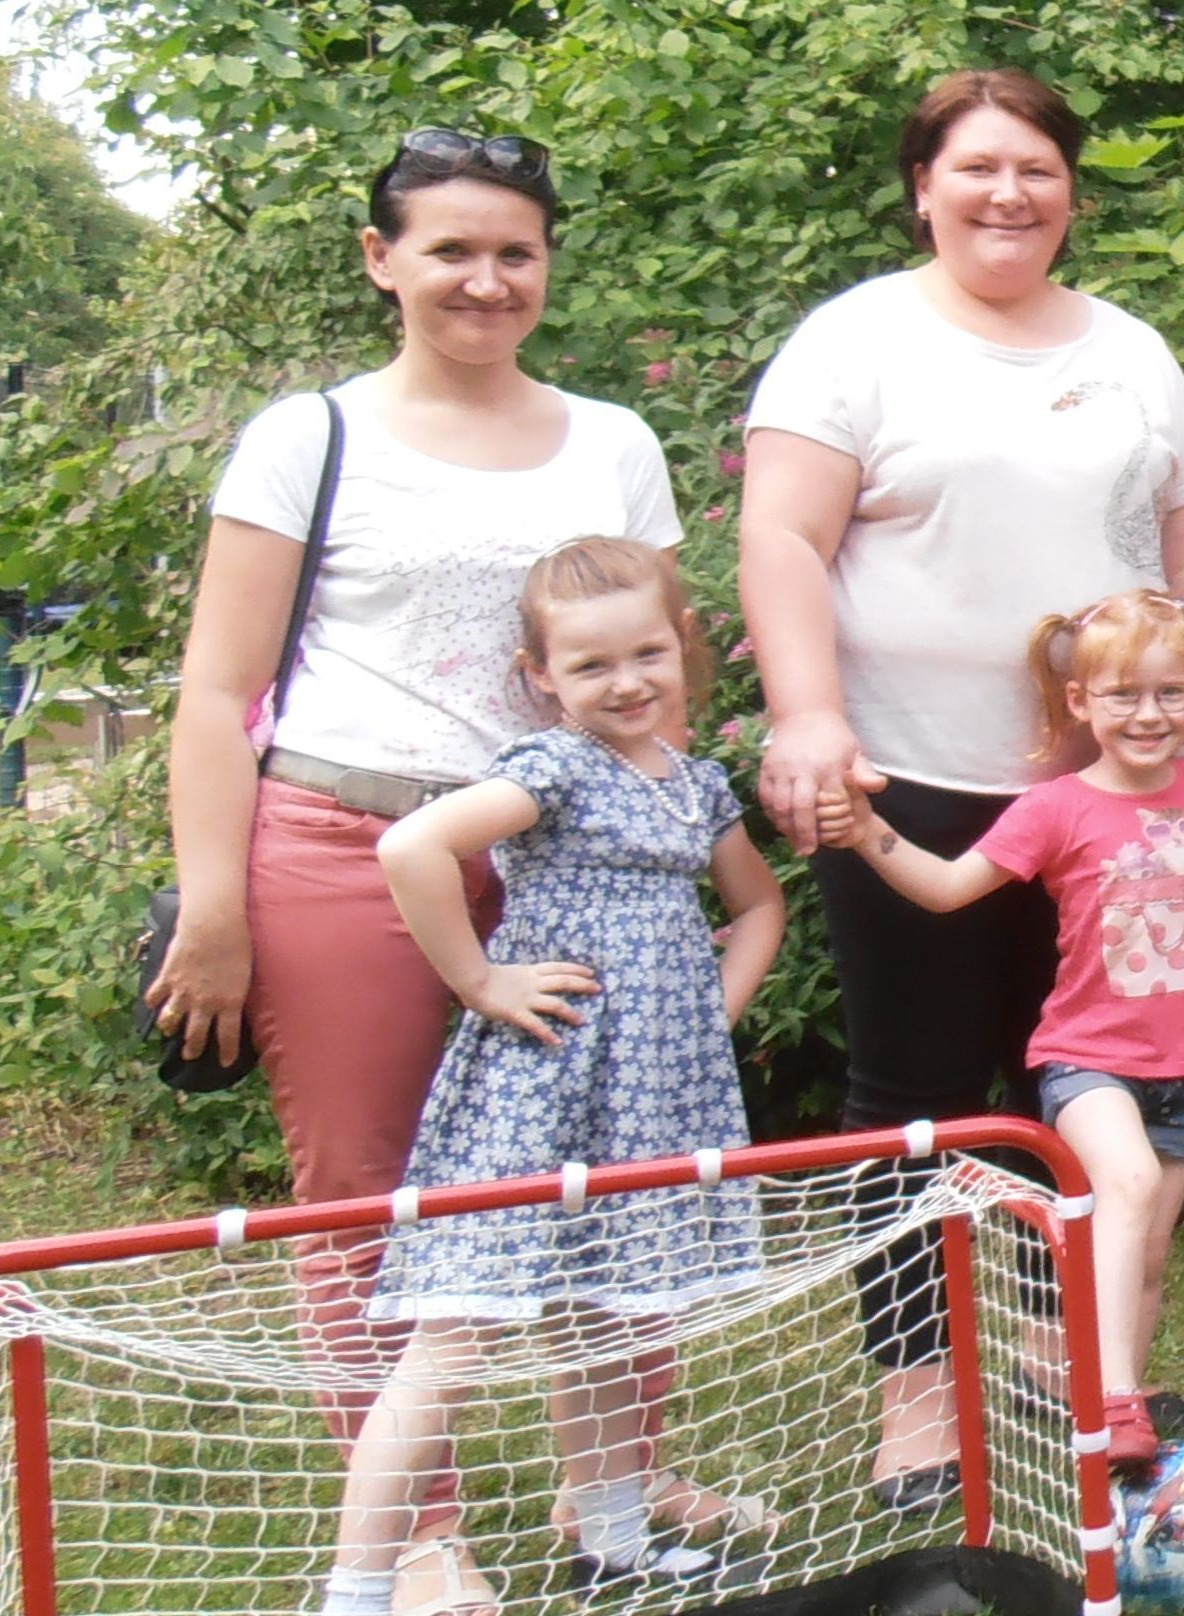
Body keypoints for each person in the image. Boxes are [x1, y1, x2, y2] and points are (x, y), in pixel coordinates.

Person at [740, 68, 1184, 1480]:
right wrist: (805, 717)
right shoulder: (854, 345)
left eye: (1038, 171)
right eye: (977, 168)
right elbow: (780, 541)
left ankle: (1093, 1369)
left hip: (1113, 803)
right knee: (918, 1093)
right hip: (911, 785)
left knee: (1092, 1085)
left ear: (1072, 190)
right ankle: (915, 1401)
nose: (1009, 194)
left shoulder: (1124, 348)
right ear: (923, 185)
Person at [146, 129, 699, 1608]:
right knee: (369, 1194)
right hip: (341, 845)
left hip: (567, 855)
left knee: (618, 1168)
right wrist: (213, 905)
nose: (485, 278)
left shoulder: (613, 444)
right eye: (451, 248)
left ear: (547, 267)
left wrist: (681, 834)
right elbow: (217, 693)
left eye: (515, 250)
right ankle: (421, 1537)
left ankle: (622, 1492)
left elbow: (653, 660)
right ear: (382, 259)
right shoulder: (306, 437)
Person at [315, 541, 784, 1613]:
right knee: (455, 1335)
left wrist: (708, 1013)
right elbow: (413, 849)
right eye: (590, 666)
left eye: (647, 653)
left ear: (684, 648)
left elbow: (759, 906)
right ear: (542, 676)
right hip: (543, 1088)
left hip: (651, 1094)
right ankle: (355, 1586)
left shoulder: (696, 785)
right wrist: (480, 980)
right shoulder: (554, 768)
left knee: (612, 1318)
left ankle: (612, 1542)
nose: (626, 682)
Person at [817, 591, 1184, 1461]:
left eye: (1171, 692)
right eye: (1123, 694)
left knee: (1147, 1256)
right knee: (1120, 1184)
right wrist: (864, 834)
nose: (1148, 714)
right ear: (1080, 700)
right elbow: (947, 888)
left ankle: (1112, 1410)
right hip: (1086, 1062)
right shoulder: (1058, 807)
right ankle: (1113, 1405)